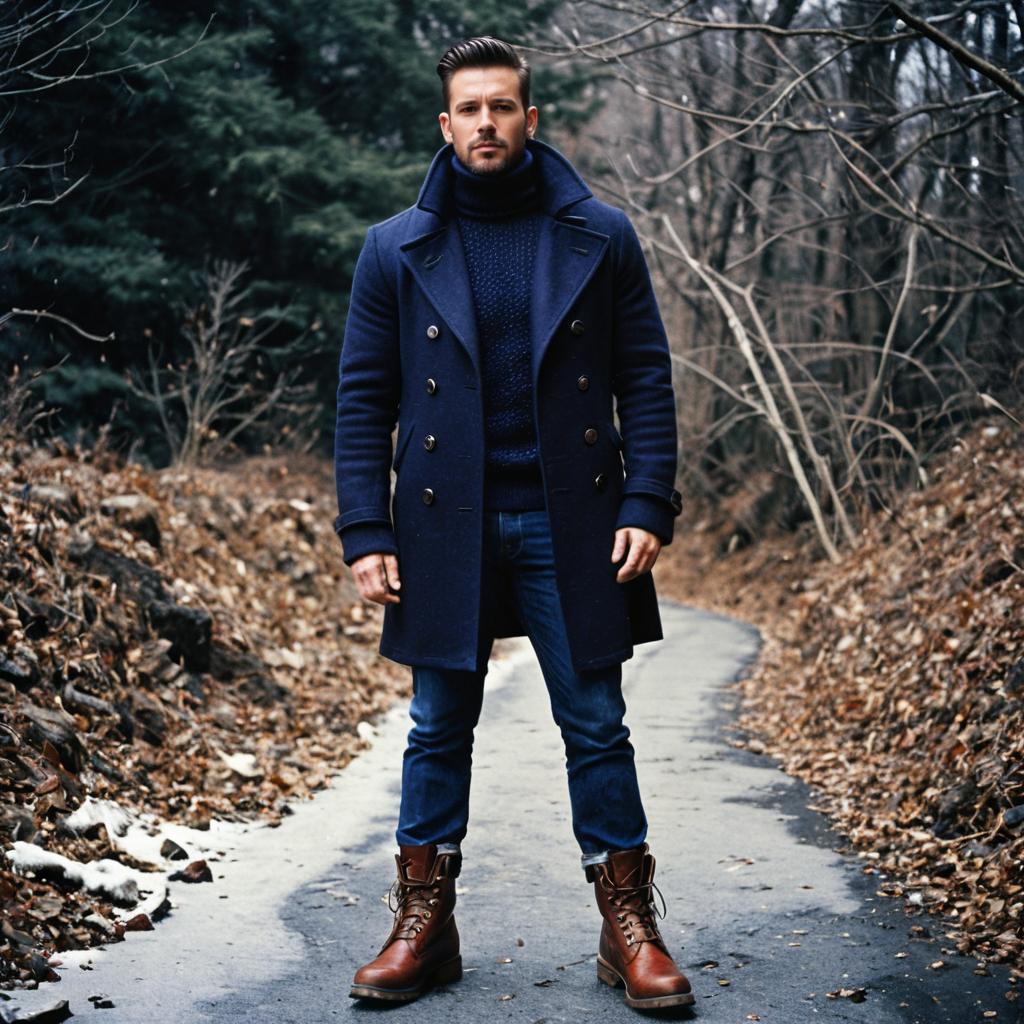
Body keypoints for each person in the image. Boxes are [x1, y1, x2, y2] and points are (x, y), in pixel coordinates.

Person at [333, 35, 692, 1011]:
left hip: (570, 520)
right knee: (437, 726)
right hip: (444, 523)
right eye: (468, 109)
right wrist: (365, 530)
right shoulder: (392, 249)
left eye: (502, 107)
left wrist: (646, 500)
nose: (485, 123)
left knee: (596, 724)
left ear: (531, 120)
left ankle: (631, 929)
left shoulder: (599, 235)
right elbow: (364, 401)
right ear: (443, 125)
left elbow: (645, 378)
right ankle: (424, 925)